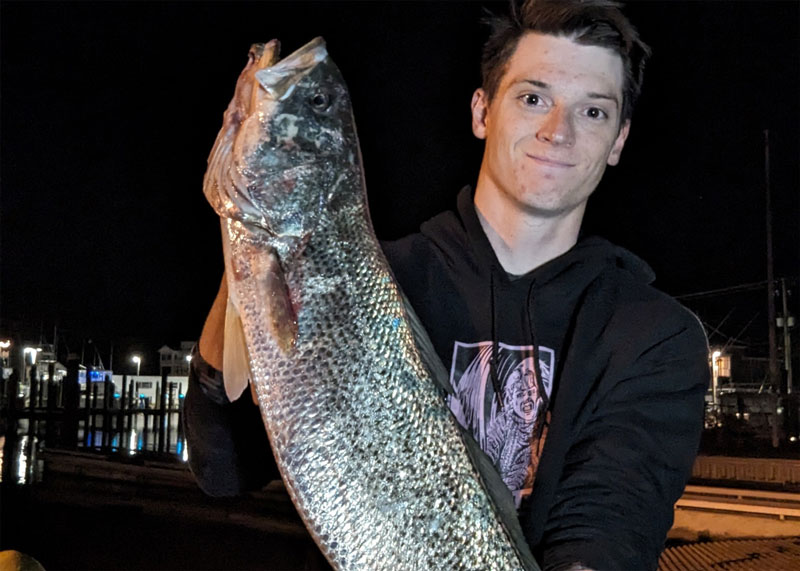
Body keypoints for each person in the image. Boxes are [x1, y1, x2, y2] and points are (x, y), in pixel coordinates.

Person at [183, 1, 710, 569]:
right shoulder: (371, 285)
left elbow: (610, 523)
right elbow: (222, 466)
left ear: (619, 140)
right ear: (482, 111)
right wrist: (258, 252)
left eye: (593, 112)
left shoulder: (655, 336)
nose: (558, 131)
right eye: (533, 98)